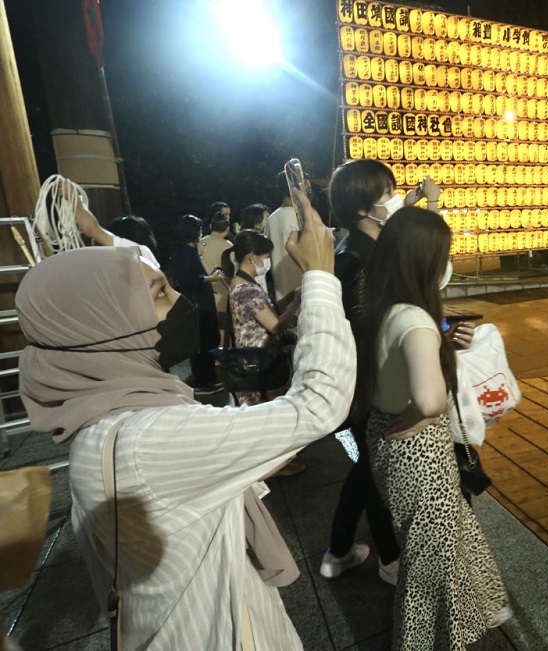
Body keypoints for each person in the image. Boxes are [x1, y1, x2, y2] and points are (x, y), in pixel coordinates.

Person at [15, 194, 356, 649]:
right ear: (101, 326)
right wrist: (320, 276)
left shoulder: (105, 417)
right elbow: (318, 405)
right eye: (158, 294)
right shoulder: (143, 443)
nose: (178, 301)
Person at [358, 206, 509, 648]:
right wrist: (426, 410)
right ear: (426, 261)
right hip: (418, 453)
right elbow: (429, 399)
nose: (449, 264)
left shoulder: (383, 307)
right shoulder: (418, 320)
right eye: (445, 255)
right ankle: (423, 642)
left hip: (387, 440)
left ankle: (481, 606)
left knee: (450, 530)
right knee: (429, 559)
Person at [320, 160, 471, 586]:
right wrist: (431, 337)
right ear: (362, 209)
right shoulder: (353, 262)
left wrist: (438, 333)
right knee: (371, 469)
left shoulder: (371, 249)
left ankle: (339, 549)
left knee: (364, 468)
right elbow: (379, 329)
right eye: (386, 193)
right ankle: (389, 558)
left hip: (370, 386)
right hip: (365, 390)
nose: (393, 197)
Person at [222, 231, 300, 407]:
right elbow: (275, 326)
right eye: (265, 257)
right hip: (259, 365)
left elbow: (265, 311)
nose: (267, 262)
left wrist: (288, 298)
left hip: (256, 361)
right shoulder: (246, 290)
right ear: (251, 257)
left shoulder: (240, 282)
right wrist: (296, 302)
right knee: (269, 411)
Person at [166, 215, 223, 390]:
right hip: (198, 305)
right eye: (198, 229)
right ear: (193, 231)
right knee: (204, 343)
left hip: (199, 304)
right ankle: (203, 381)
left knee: (207, 341)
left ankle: (206, 378)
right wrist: (210, 278)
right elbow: (187, 278)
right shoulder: (185, 251)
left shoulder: (185, 250)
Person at [266, 171, 308, 302]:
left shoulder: (271, 219)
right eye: (306, 187)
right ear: (296, 188)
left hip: (281, 295)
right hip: (302, 293)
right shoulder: (299, 219)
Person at [198, 213, 233, 343]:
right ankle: (221, 354)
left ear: (211, 226)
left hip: (203, 289)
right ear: (227, 229)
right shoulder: (227, 245)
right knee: (222, 324)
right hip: (221, 288)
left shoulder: (200, 242)